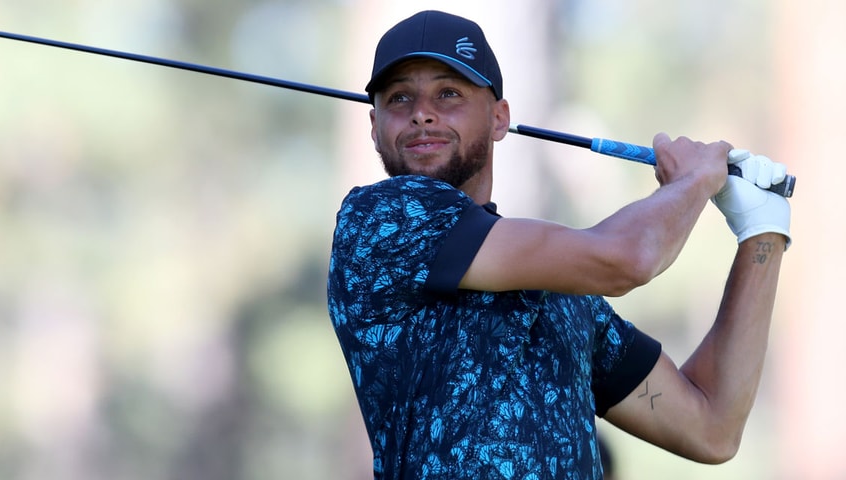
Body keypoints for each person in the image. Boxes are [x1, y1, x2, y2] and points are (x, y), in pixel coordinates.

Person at [326, 10, 792, 480]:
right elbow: (629, 257)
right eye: (399, 98)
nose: (421, 113)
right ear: (374, 126)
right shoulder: (380, 219)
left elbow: (711, 427)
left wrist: (762, 230)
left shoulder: (562, 293)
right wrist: (693, 181)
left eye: (449, 93)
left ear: (499, 117)